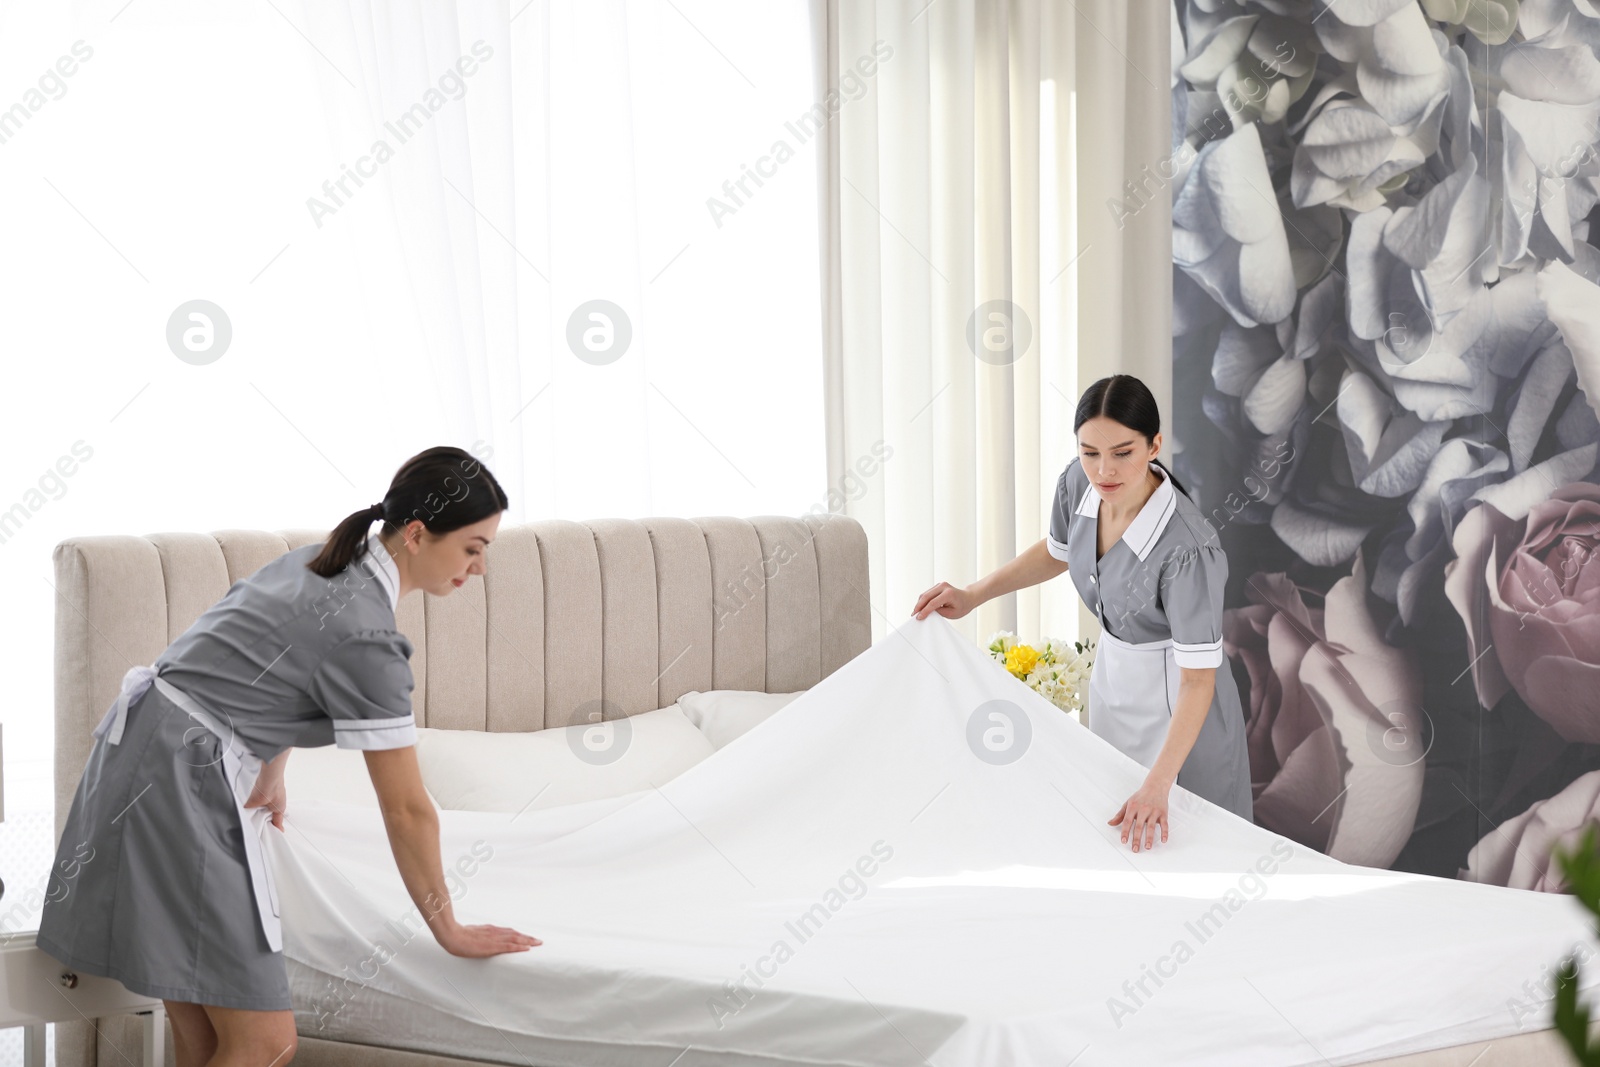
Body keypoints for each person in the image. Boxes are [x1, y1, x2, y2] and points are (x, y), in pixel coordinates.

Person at [37, 445, 540, 1066]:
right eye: (473, 548)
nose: (481, 568)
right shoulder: (370, 638)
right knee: (267, 1044)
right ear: (417, 534)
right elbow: (408, 809)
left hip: (143, 755)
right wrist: (448, 928)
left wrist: (272, 763)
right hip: (179, 784)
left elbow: (249, 665)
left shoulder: (319, 563)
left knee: (207, 1041)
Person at [911, 374, 1252, 852]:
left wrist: (1159, 784)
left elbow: (1199, 680)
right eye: (1090, 451)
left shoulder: (1187, 550)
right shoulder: (1078, 482)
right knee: (1112, 836)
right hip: (1115, 683)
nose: (1103, 470)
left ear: (1154, 445)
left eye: (1123, 452)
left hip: (1182, 708)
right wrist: (972, 595)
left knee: (1188, 850)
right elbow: (1058, 552)